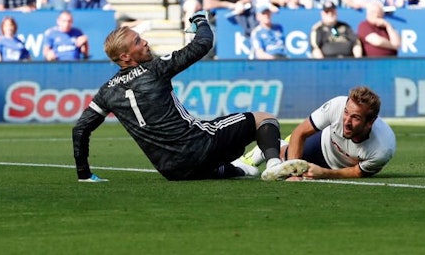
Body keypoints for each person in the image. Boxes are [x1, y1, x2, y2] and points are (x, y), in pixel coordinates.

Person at [72, 11, 309, 182]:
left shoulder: (107, 91)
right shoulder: (154, 68)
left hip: (172, 171)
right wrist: (200, 20)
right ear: (125, 57)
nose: (145, 42)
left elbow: (80, 129)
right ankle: (275, 165)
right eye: (137, 42)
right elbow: (203, 44)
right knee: (264, 118)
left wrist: (84, 174)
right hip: (200, 146)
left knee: (220, 168)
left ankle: (244, 165)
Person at [239, 87, 396, 179]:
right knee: (283, 162)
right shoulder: (337, 105)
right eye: (346, 113)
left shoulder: (382, 148)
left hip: (339, 166)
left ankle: (283, 145)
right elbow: (300, 132)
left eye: (355, 118)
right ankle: (266, 149)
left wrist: (324, 173)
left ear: (370, 122)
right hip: (322, 143)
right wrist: (294, 172)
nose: (346, 121)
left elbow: (357, 172)